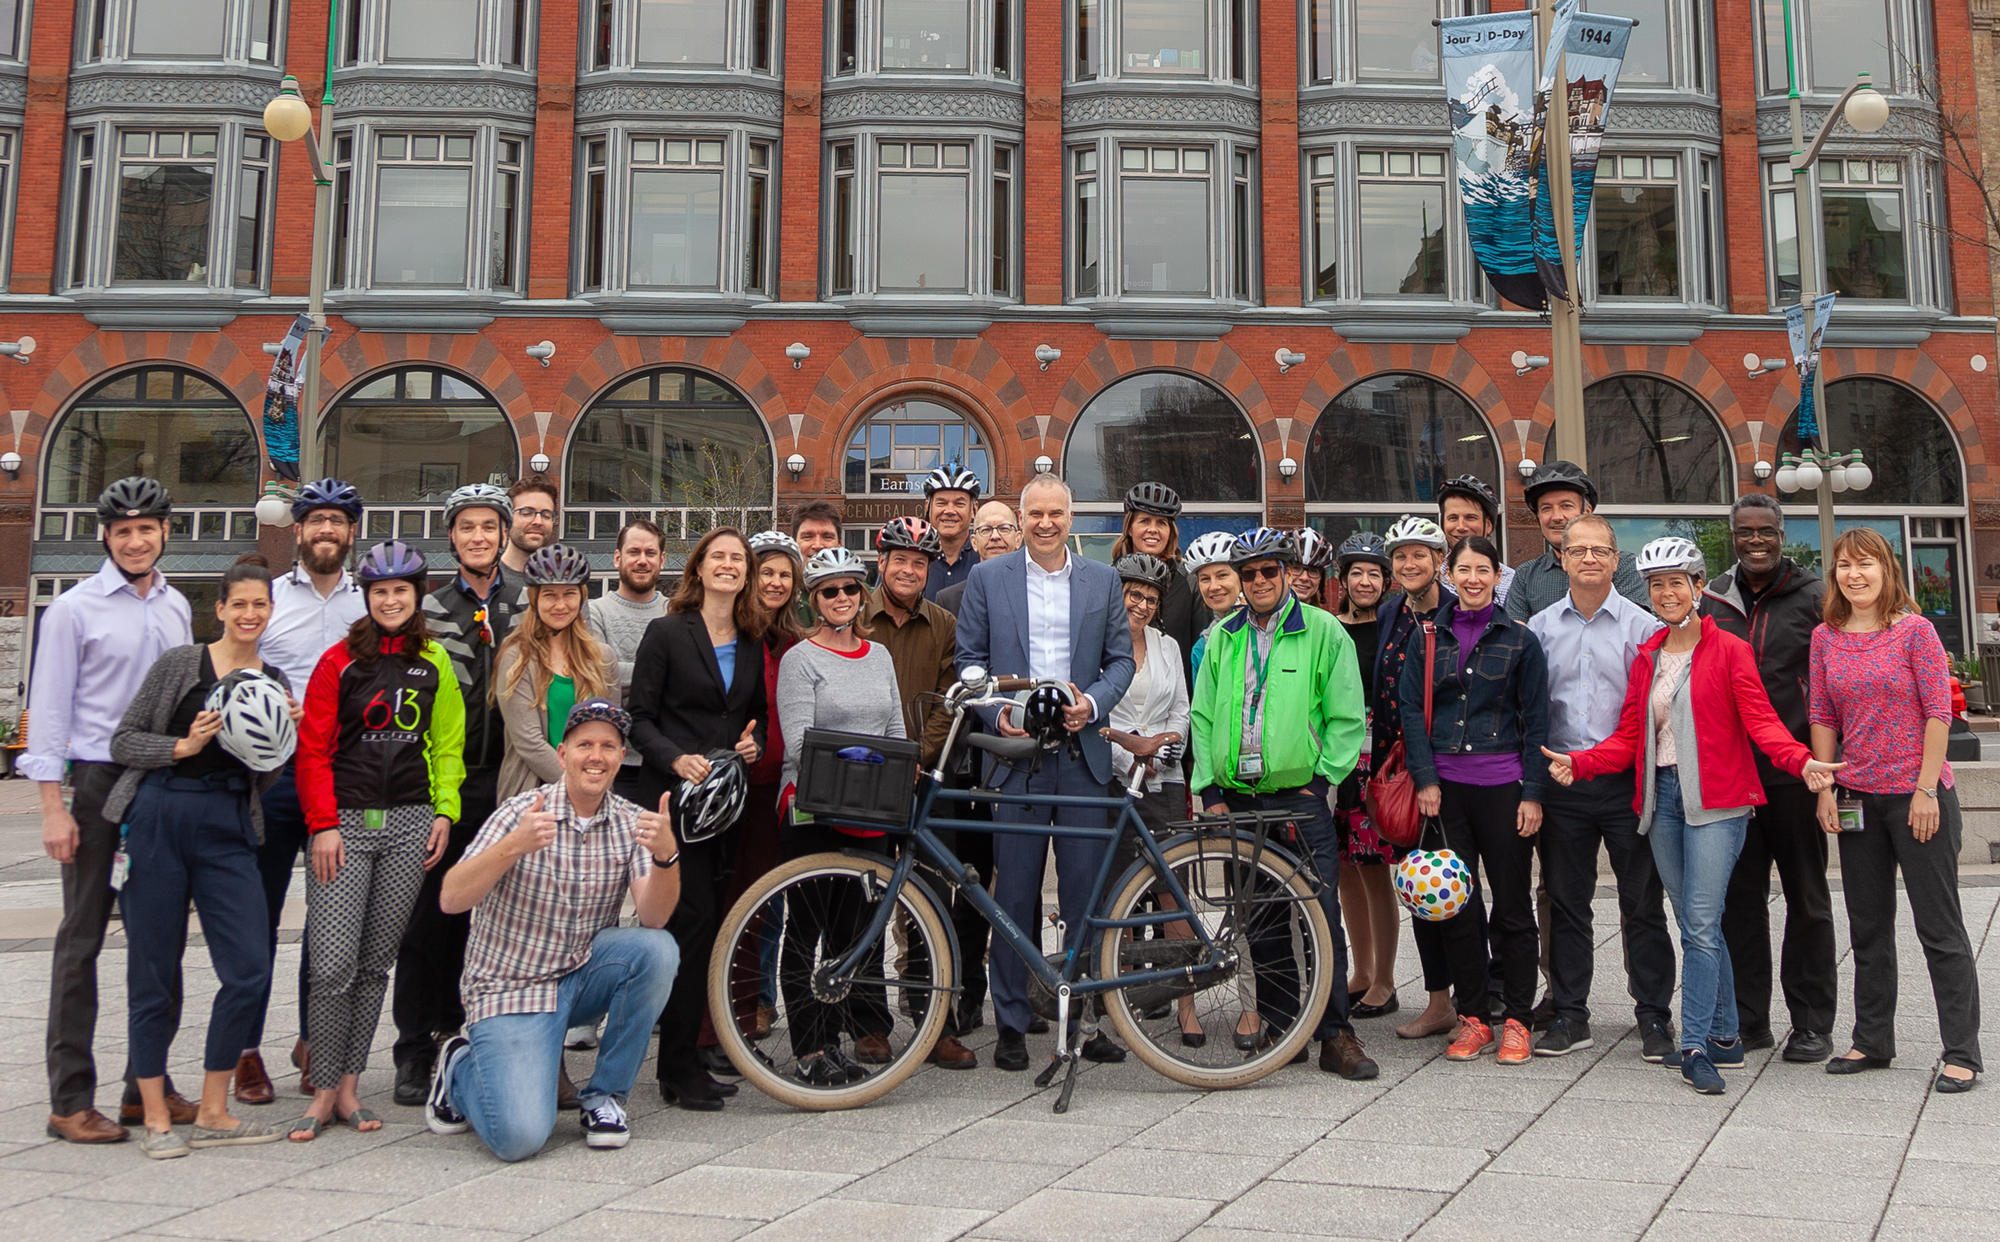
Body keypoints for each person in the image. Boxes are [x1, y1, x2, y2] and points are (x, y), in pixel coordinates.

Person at [1547, 537, 1839, 1094]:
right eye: (1657, 585)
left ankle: (1698, 1042)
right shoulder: (1649, 653)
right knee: (1693, 923)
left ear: (1699, 587)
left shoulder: (1728, 649)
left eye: (1677, 582)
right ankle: (1729, 1035)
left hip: (1718, 802)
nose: (1666, 593)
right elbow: (1633, 735)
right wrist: (1580, 765)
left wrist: (1804, 762)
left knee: (1703, 926)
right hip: (1662, 801)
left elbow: (1762, 722)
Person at [427, 699, 682, 1160]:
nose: (596, 756)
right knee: (520, 1138)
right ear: (562, 754)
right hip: (511, 988)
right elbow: (451, 898)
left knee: (658, 949)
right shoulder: (521, 813)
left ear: (622, 756)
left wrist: (667, 856)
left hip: (579, 976)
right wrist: (513, 847)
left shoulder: (630, 820)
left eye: (608, 746)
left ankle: (606, 1097)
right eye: (585, 744)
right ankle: (460, 1064)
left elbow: (654, 917)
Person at [104, 555, 295, 1157]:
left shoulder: (277, 682)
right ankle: (156, 1114)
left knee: (248, 968)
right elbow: (124, 739)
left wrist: (282, 735)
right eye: (238, 604)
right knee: (153, 972)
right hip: (162, 813)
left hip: (229, 822)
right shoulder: (181, 664)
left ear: (271, 610)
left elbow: (267, 770)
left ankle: (214, 1108)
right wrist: (182, 745)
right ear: (218, 610)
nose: (249, 614)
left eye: (259, 604)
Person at [31, 477, 194, 1145]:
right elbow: (49, 709)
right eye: (122, 530)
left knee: (159, 941)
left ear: (163, 534)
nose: (135, 540)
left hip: (159, 781)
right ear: (106, 536)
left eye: (146, 529)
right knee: (83, 940)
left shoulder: (178, 605)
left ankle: (142, 1086)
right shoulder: (73, 610)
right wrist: (52, 808)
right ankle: (70, 1098)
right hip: (98, 782)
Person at [956, 474, 1136, 1073]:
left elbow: (1119, 661)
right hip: (1017, 758)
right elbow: (970, 663)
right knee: (1015, 894)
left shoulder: (1103, 580)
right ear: (1021, 519)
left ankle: (1082, 1017)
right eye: (1034, 513)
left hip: (1082, 753)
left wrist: (1097, 704)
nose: (1045, 523)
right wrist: (1000, 711)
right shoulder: (987, 579)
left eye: (1056, 512)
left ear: (1071, 515)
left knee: (1087, 895)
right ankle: (1011, 1022)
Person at [1188, 527, 1377, 1079]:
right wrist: (1210, 788)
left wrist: (1323, 780)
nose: (1260, 581)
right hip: (1239, 801)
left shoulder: (1322, 631)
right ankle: (1283, 1025)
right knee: (1261, 917)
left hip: (1299, 798)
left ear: (1287, 573)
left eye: (1269, 571)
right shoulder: (1222, 637)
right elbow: (1202, 716)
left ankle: (1335, 1032)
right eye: (1249, 575)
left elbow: (1346, 714)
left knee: (1320, 914)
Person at [292, 539, 466, 1139]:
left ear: (416, 596)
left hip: (412, 823)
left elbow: (447, 745)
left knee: (373, 966)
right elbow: (312, 750)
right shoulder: (337, 661)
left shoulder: (434, 661)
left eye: (401, 591)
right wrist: (320, 824)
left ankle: (347, 1088)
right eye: (380, 592)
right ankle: (320, 1089)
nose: (391, 600)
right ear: (366, 598)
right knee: (332, 964)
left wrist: (445, 812)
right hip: (343, 823)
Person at [1808, 528, 1983, 1093]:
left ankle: (1961, 1050)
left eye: (1864, 564)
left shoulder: (1916, 632)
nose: (1853, 575)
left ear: (1886, 569)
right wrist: (1826, 788)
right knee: (1868, 926)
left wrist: (1927, 789)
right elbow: (1824, 715)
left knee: (1939, 927)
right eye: (1842, 566)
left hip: (1918, 798)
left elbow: (1939, 713)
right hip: (1858, 796)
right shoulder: (1825, 637)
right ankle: (1872, 1039)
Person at [1525, 516, 1677, 1061]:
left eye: (1600, 551)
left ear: (1618, 561)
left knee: (1643, 903)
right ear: (1561, 559)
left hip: (1628, 782)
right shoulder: (1539, 629)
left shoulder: (1643, 628)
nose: (1589, 559)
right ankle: (1570, 1013)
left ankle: (1654, 1016)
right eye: (1578, 550)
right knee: (1567, 902)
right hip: (1563, 782)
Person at [629, 527, 767, 1111]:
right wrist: (673, 757)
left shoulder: (754, 640)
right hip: (674, 802)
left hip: (724, 807)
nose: (729, 566)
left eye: (738, 559)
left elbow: (749, 718)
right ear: (700, 568)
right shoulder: (665, 632)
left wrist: (750, 746)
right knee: (687, 926)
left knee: (708, 929)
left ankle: (686, 1061)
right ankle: (676, 1067)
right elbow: (637, 718)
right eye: (720, 557)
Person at [399, 483, 526, 1105]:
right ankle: (414, 1045)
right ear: (452, 536)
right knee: (431, 918)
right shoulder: (428, 610)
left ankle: (485, 1032)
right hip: (448, 785)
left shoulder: (528, 604)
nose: (479, 536)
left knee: (500, 918)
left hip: (510, 781)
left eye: (489, 526)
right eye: (467, 527)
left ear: (505, 535)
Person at [1402, 536, 1547, 1067]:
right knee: (1458, 908)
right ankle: (1474, 1017)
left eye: (1483, 570)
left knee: (1512, 906)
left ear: (1496, 576)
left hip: (1505, 788)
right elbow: (1411, 712)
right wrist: (1424, 778)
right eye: (1463, 569)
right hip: (1446, 792)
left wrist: (1533, 793)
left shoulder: (1521, 640)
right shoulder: (1428, 636)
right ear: (1450, 573)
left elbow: (1536, 722)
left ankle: (1518, 1019)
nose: (1472, 579)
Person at [1702, 493, 1837, 1063]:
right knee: (1739, 900)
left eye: (1767, 531)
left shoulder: (1814, 598)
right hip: (1733, 778)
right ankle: (1748, 1019)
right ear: (1732, 536)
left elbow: (1833, 686)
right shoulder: (1712, 600)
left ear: (1783, 534)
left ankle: (1811, 1022)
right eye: (1745, 531)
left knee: (1807, 898)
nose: (1756, 540)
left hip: (1796, 774)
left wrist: (1829, 773)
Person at [776, 548, 911, 1083]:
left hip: (871, 809)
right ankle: (810, 1048)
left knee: (853, 933)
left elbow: (895, 730)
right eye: (829, 591)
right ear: (814, 599)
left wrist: (897, 783)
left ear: (861, 596)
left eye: (850, 590)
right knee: (806, 929)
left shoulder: (878, 655)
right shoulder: (800, 659)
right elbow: (798, 743)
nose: (841, 599)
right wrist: (862, 761)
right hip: (816, 806)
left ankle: (839, 1037)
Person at [252, 478, 367, 1103]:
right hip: (272, 780)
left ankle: (312, 1041)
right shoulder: (266, 600)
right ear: (297, 531)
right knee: (256, 918)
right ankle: (243, 1048)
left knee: (329, 928)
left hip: (341, 784)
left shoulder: (369, 605)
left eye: (338, 522)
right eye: (316, 521)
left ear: (351, 533)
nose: (327, 531)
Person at [865, 517, 978, 1069]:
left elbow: (946, 701)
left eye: (919, 562)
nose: (909, 570)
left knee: (931, 902)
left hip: (923, 779)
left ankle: (935, 1023)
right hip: (863, 774)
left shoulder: (944, 623)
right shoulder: (852, 612)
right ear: (881, 563)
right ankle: (869, 1023)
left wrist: (916, 758)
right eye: (900, 560)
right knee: (863, 896)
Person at [1369, 516, 1457, 1042]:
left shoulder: (1456, 610)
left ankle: (1476, 993)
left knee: (1459, 882)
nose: (1409, 564)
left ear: (1439, 560)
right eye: (1400, 557)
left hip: (1449, 766)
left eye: (1419, 555)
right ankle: (1440, 999)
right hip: (1400, 768)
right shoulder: (1389, 612)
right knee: (1421, 883)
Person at [1102, 554, 1195, 1042]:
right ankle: (1128, 998)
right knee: (1122, 894)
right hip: (1115, 780)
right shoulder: (1097, 644)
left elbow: (1181, 708)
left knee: (1170, 888)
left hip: (1164, 777)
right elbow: (1096, 715)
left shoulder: (1167, 646)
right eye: (1133, 595)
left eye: (1150, 599)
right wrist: (1129, 753)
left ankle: (1186, 1004)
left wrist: (1164, 748)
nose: (1140, 604)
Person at [1332, 533, 1400, 1021]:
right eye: (1356, 572)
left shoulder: (1397, 628)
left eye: (1374, 573)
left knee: (1374, 868)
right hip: (1335, 761)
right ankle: (1360, 969)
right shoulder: (1331, 628)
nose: (1364, 581)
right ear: (1344, 579)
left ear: (1386, 581)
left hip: (1377, 760)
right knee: (1343, 872)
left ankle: (1385, 979)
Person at [496, 545, 616, 802]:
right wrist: (582, 786)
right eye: (550, 595)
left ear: (582, 597)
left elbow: (611, 734)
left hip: (592, 797)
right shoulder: (517, 658)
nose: (560, 605)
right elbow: (530, 743)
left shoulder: (602, 658)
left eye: (569, 594)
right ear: (534, 599)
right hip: (533, 797)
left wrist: (593, 788)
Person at [589, 518, 671, 808]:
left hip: (665, 760)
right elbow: (600, 678)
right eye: (634, 552)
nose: (642, 561)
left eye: (650, 554)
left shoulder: (674, 612)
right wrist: (664, 675)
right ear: (617, 557)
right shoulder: (593, 612)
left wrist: (624, 672)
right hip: (611, 763)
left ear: (662, 560)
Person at [1505, 461, 1648, 621]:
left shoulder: (1623, 566)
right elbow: (1515, 637)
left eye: (1566, 506)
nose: (1557, 517)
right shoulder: (1526, 575)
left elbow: (1634, 629)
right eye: (1546, 508)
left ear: (1587, 512)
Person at [1113, 483, 1198, 690]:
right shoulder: (1110, 580)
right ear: (1130, 528)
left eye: (1161, 523)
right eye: (1144, 521)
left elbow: (1198, 652)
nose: (1153, 529)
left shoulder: (1189, 582)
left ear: (1171, 532)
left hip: (1174, 704)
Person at [1437, 474, 1515, 608]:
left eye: (1470, 518)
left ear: (1489, 526)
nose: (1461, 526)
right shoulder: (1432, 575)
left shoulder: (1511, 581)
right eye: (1453, 518)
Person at [936, 500, 1023, 617]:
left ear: (1018, 539)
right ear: (974, 542)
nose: (995, 537)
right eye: (986, 530)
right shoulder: (949, 600)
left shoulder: (1033, 593)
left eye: (1004, 528)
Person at [1182, 531, 1242, 678]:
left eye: (1222, 575)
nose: (1213, 586)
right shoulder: (1202, 647)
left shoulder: (1268, 628)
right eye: (1205, 579)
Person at [922, 463, 983, 600]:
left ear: (974, 509)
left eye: (959, 504)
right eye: (941, 503)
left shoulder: (985, 557)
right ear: (927, 507)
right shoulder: (914, 558)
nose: (949, 511)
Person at [500, 476, 560, 575]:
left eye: (546, 515)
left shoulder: (561, 581)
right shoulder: (485, 579)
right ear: (507, 518)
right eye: (527, 513)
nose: (538, 521)